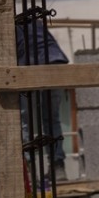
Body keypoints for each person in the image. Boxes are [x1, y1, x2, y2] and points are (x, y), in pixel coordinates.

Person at [16, 20, 69, 181]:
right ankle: (58, 168)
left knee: (25, 120)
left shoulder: (3, 28)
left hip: (31, 67)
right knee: (52, 118)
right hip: (55, 63)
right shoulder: (33, 22)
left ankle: (30, 170)